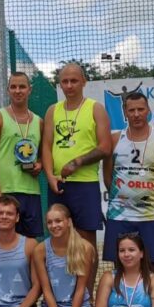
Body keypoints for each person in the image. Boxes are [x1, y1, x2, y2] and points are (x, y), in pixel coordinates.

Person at [102, 91, 154, 271]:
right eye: (131, 110)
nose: (136, 114)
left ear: (148, 110)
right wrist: (124, 197)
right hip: (119, 215)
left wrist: (146, 197)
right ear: (125, 112)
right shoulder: (114, 139)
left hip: (148, 216)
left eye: (140, 109)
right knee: (120, 268)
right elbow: (107, 177)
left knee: (150, 269)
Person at [41, 63, 112, 245]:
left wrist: (77, 162)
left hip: (85, 184)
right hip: (58, 184)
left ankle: (87, 267)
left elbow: (105, 147)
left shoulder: (95, 108)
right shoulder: (52, 110)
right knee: (59, 238)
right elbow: (46, 146)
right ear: (60, 84)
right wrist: (50, 176)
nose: (69, 85)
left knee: (85, 241)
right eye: (65, 82)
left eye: (74, 81)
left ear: (84, 82)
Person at [0, 72, 44, 238]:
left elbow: (42, 155)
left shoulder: (39, 121)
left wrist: (39, 164)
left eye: (22, 87)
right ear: (8, 90)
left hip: (31, 191)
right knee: (6, 241)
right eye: (13, 87)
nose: (18, 91)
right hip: (6, 190)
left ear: (29, 90)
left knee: (30, 242)